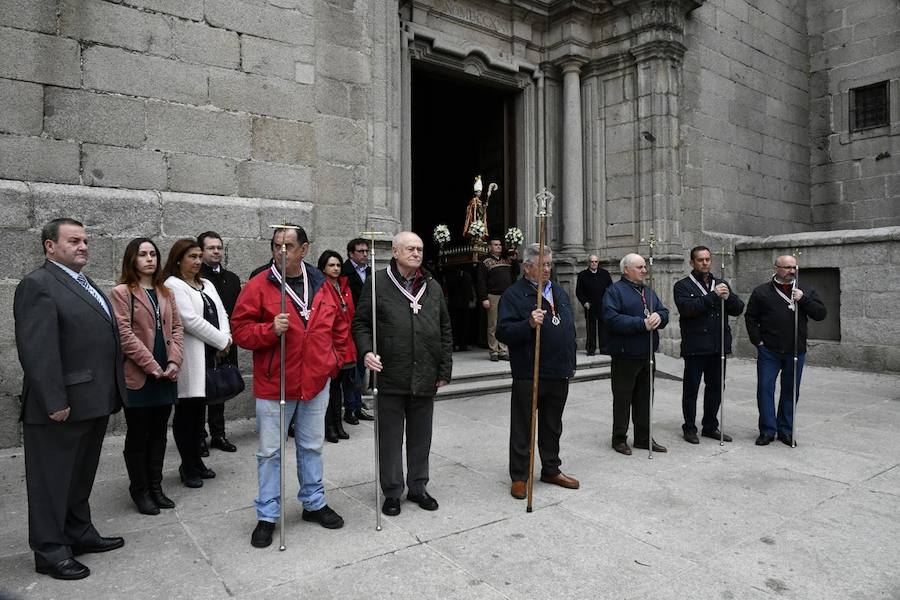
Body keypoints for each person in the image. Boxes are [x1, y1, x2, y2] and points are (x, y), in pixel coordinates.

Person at [14, 218, 126, 580]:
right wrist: (54, 401)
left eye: (85, 241)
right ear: (50, 246)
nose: (83, 247)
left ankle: (78, 532)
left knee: (79, 476)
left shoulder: (82, 282)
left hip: (92, 401)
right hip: (61, 407)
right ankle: (50, 551)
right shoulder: (38, 284)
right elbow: (38, 351)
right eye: (74, 241)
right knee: (51, 482)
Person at [231, 225, 347, 548]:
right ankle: (267, 514)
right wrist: (269, 330)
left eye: (289, 246)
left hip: (314, 382)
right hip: (275, 384)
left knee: (312, 446)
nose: (281, 252)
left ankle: (313, 502)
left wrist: (334, 361)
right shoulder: (258, 285)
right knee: (270, 452)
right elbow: (239, 330)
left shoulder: (322, 284)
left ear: (304, 250)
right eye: (276, 246)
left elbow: (339, 324)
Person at [353, 231, 453, 517]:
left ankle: (418, 487)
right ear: (395, 252)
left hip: (425, 373)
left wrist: (443, 368)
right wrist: (366, 352)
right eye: (410, 249)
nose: (416, 254)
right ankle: (393, 491)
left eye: (420, 249)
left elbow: (445, 329)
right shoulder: (377, 283)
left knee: (421, 437)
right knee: (390, 438)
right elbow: (361, 324)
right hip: (391, 374)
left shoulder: (432, 286)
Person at [496, 243, 579, 499]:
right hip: (529, 371)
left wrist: (571, 363)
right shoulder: (514, 294)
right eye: (542, 264)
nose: (547, 269)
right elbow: (503, 332)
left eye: (549, 264)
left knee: (552, 425)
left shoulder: (558, 292)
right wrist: (528, 323)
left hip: (558, 371)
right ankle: (520, 476)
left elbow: (568, 328)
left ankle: (551, 469)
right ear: (527, 267)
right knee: (523, 426)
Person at [110, 238, 183, 515]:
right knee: (139, 435)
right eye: (143, 255)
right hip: (141, 375)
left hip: (167, 373)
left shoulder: (166, 292)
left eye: (153, 254)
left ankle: (156, 486)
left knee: (159, 434)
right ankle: (139, 490)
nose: (150, 259)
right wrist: (151, 364)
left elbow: (177, 329)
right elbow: (124, 335)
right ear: (132, 259)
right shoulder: (121, 292)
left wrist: (175, 361)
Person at [163, 239, 232, 488]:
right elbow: (190, 320)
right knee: (187, 415)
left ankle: (197, 462)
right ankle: (188, 465)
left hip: (210, 356)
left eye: (198, 256)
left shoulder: (207, 283)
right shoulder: (173, 285)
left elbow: (222, 312)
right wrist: (221, 341)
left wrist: (226, 338)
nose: (196, 261)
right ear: (179, 259)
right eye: (191, 256)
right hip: (190, 359)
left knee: (199, 413)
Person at [745, 254, 827, 446]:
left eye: (794, 267)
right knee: (765, 389)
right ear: (776, 268)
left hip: (795, 351)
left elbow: (821, 314)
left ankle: (785, 430)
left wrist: (804, 299)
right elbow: (750, 317)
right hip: (769, 351)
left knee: (791, 391)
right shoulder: (762, 292)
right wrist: (758, 342)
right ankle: (767, 430)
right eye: (787, 267)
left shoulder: (804, 289)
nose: (791, 271)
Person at [673, 246, 744, 444]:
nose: (704, 263)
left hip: (718, 345)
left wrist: (727, 296)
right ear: (692, 263)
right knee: (691, 389)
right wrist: (713, 296)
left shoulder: (720, 282)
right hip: (696, 346)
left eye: (707, 259)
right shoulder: (683, 286)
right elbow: (688, 309)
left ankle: (710, 426)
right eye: (700, 260)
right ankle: (689, 427)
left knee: (715, 388)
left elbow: (738, 308)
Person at [603, 253, 670, 455]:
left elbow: (664, 311)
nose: (644, 270)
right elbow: (611, 319)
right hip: (625, 355)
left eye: (644, 267)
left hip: (647, 353)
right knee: (623, 399)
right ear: (626, 270)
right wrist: (641, 324)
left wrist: (660, 316)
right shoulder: (614, 291)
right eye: (639, 267)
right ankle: (619, 439)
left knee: (645, 398)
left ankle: (643, 437)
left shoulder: (648, 291)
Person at [197, 231, 242, 455]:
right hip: (202, 344)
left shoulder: (232, 279)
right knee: (200, 391)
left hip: (227, 342)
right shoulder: (195, 278)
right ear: (201, 251)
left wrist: (228, 340)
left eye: (219, 247)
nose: (216, 251)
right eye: (211, 248)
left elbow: (235, 312)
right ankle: (198, 437)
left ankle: (218, 434)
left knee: (220, 389)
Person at [317, 249, 356, 443]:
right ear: (323, 267)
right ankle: (328, 426)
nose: (335, 268)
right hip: (329, 345)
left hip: (345, 344)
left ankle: (338, 423)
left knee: (338, 386)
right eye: (331, 265)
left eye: (338, 265)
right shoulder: (321, 287)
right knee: (329, 387)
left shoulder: (344, 286)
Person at [341, 237, 373, 424]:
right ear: (351, 253)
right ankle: (350, 409)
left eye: (366, 251)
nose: (365, 255)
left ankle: (358, 405)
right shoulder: (344, 272)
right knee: (351, 371)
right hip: (350, 325)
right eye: (360, 251)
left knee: (361, 367)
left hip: (365, 325)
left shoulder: (369, 271)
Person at [477, 237, 519, 361]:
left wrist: (515, 261)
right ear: (490, 247)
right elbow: (481, 281)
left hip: (507, 295)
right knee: (493, 324)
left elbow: (516, 273)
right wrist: (484, 298)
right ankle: (494, 350)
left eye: (500, 245)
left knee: (505, 322)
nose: (499, 247)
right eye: (495, 245)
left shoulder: (507, 259)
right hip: (493, 295)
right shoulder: (485, 261)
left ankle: (503, 349)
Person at [575, 254, 613, 355]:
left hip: (602, 305)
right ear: (588, 263)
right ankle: (591, 349)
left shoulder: (605, 274)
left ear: (598, 263)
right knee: (590, 328)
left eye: (596, 262)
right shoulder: (582, 275)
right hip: (590, 305)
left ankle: (604, 348)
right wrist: (584, 302)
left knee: (603, 327)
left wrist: (608, 302)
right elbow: (579, 291)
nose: (594, 263)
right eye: (592, 262)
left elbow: (610, 289)